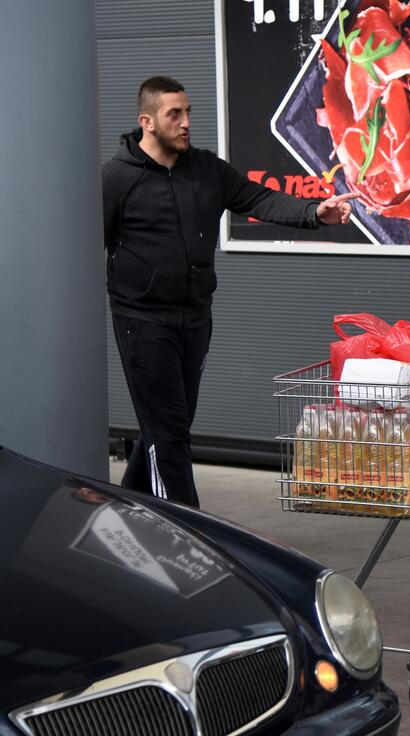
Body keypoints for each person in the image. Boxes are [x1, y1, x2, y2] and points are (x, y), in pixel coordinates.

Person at [103, 76, 358, 508]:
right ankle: (189, 533)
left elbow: (260, 199)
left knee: (164, 427)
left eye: (188, 113)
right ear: (146, 121)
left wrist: (316, 211)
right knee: (169, 436)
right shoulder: (116, 179)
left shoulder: (206, 170)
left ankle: (122, 514)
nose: (186, 122)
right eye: (174, 115)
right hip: (142, 322)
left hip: (195, 319)